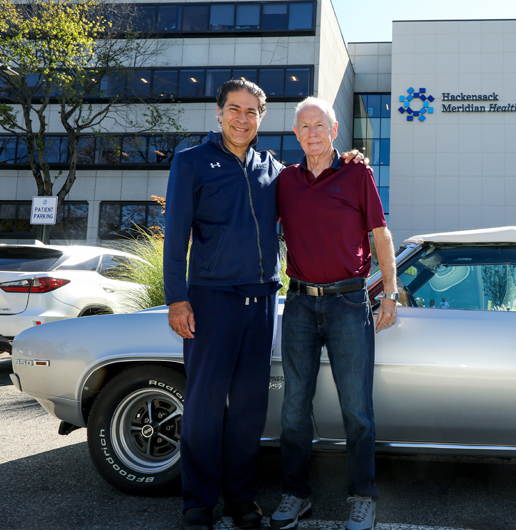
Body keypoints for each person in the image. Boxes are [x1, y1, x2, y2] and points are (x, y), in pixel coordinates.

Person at [163, 80, 363, 530]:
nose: (242, 118)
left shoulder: (272, 169)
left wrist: (350, 159)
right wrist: (177, 299)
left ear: (262, 119)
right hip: (211, 301)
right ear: (219, 113)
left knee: (251, 408)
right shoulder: (191, 163)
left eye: (252, 112)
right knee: (204, 405)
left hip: (261, 302)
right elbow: (174, 237)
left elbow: (316, 176)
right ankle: (198, 502)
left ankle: (241, 498)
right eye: (234, 109)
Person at [269, 96, 397, 530]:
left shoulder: (358, 172)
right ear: (295, 134)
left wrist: (391, 293)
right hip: (301, 303)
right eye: (303, 127)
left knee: (357, 408)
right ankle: (295, 494)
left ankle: (363, 495)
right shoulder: (284, 181)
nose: (312, 133)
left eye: (319, 125)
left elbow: (381, 234)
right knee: (293, 408)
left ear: (335, 129)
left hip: (348, 303)